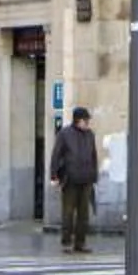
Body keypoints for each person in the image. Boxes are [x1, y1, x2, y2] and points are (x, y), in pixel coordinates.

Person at [48, 107, 100, 253]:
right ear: (78, 120)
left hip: (86, 179)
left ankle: (80, 242)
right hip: (70, 179)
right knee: (68, 213)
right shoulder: (65, 134)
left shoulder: (90, 135)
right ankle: (67, 242)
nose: (87, 123)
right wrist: (54, 175)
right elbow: (56, 155)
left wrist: (94, 175)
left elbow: (93, 156)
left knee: (84, 214)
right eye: (85, 120)